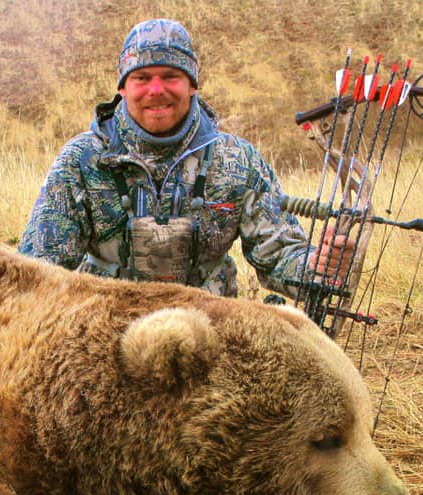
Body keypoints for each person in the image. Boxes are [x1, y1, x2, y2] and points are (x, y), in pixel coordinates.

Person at [19, 18, 353, 298]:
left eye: (170, 76)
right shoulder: (81, 160)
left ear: (192, 84)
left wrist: (317, 266)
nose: (156, 90)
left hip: (208, 331)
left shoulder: (238, 160)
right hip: (104, 332)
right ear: (123, 87)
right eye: (142, 78)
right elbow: (35, 274)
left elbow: (278, 255)